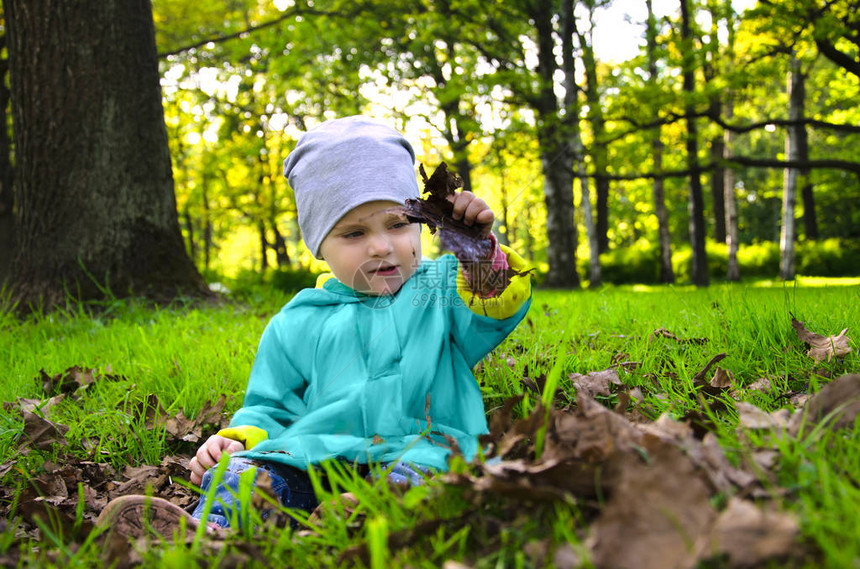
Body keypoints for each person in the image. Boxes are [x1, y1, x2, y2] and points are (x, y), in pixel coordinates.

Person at [97, 115, 532, 539]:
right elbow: (270, 404)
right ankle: (213, 532)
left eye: (398, 224)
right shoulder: (298, 321)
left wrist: (476, 253)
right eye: (354, 233)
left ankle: (362, 518)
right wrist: (237, 439)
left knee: (419, 481)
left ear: (422, 222)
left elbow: (492, 308)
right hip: (315, 456)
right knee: (243, 475)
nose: (381, 245)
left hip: (422, 448)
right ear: (319, 246)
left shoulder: (439, 291)